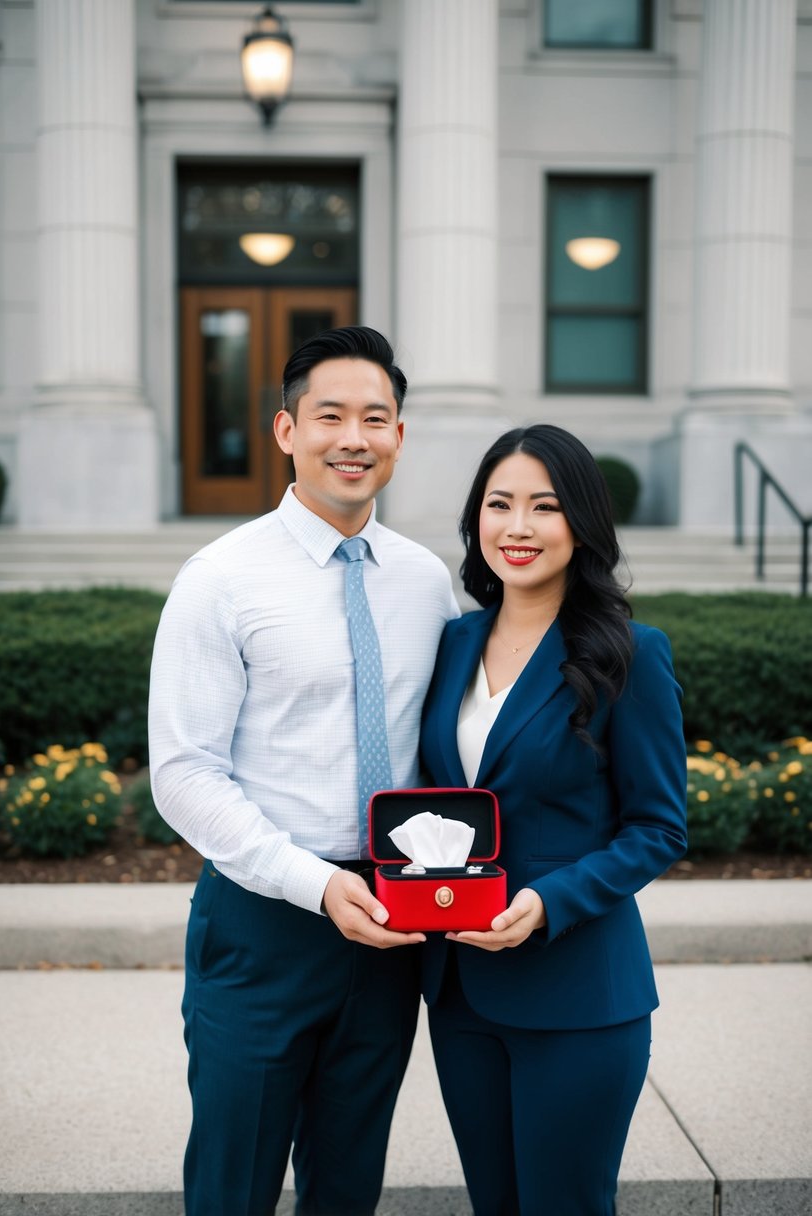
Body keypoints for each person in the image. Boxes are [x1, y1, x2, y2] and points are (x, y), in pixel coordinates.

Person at [148, 326, 459, 1216]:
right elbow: (184, 772)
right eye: (329, 416)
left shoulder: (423, 581)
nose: (352, 438)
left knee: (348, 1178)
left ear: (399, 436)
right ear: (286, 431)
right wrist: (314, 884)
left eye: (376, 417)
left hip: (396, 924)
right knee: (232, 1182)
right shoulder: (221, 578)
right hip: (264, 920)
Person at [419, 424, 687, 1216]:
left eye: (545, 506)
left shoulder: (629, 654)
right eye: (499, 504)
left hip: (577, 996)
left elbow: (657, 828)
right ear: (476, 521)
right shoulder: (449, 644)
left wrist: (549, 903)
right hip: (461, 991)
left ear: (581, 524)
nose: (519, 527)